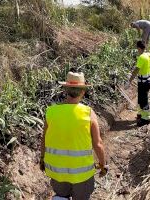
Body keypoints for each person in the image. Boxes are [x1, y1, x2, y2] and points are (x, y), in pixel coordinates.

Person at [40, 71, 107, 200]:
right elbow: (98, 144)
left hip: (57, 171)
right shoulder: (88, 113)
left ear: (65, 90)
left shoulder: (51, 112)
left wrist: (42, 159)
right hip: (82, 175)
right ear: (83, 92)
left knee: (61, 197)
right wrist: (103, 165)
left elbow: (44, 140)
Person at [127, 41, 150, 127]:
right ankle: (140, 114)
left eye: (137, 48)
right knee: (141, 98)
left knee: (144, 100)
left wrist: (129, 81)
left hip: (143, 82)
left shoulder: (141, 57)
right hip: (148, 81)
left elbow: (136, 70)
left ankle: (146, 119)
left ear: (139, 48)